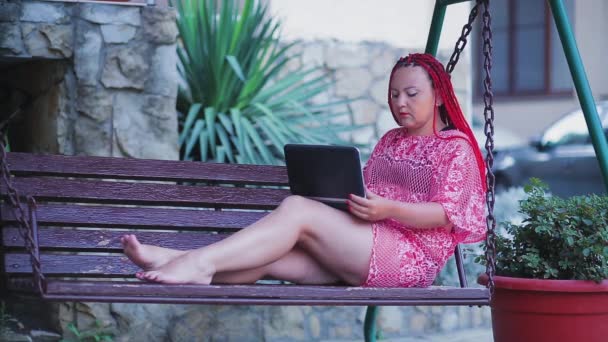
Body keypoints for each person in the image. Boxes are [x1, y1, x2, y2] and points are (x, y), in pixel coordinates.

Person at [121, 53, 487, 287]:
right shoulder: (392, 140)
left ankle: (193, 261)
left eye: (411, 93)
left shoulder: (455, 148)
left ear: (439, 95)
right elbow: (367, 190)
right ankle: (183, 264)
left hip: (409, 258)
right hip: (364, 243)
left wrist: (388, 210)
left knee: (297, 209)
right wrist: (348, 200)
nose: (400, 103)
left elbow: (446, 214)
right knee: (269, 257)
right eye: (393, 95)